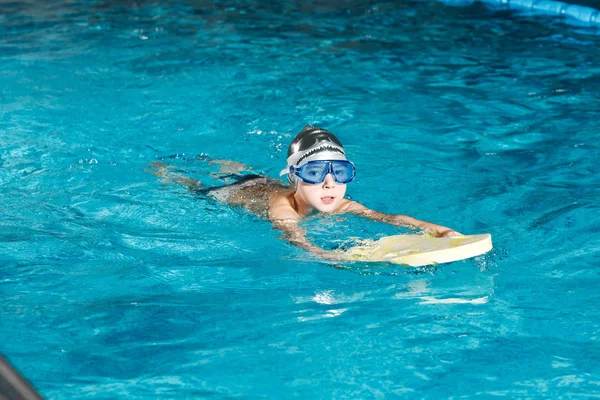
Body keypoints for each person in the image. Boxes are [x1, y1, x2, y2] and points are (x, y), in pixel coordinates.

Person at [150, 125, 461, 260]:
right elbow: (295, 239)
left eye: (339, 173)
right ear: (296, 177)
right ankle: (165, 171)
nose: (329, 184)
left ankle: (226, 164)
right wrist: (328, 255)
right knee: (195, 188)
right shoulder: (283, 209)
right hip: (229, 194)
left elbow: (388, 217)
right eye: (315, 173)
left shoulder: (340, 202)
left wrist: (438, 230)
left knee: (247, 172)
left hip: (262, 179)